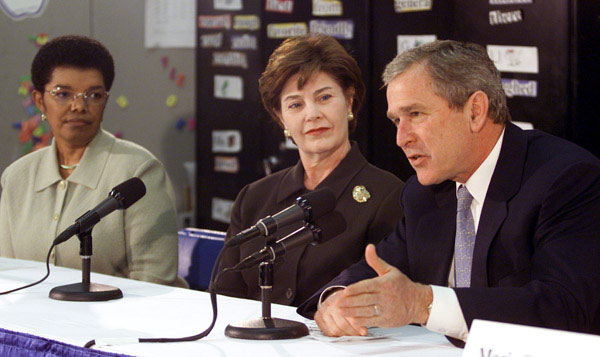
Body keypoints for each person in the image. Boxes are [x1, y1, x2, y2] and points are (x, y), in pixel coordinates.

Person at [297, 40, 600, 344]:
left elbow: (564, 309)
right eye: (396, 121)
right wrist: (338, 298)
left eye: (416, 114)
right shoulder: (424, 193)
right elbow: (383, 269)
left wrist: (423, 304)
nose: (402, 138)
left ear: (475, 111)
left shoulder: (566, 179)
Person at [216, 33, 404, 306]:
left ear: (349, 102)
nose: (312, 114)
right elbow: (225, 298)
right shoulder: (253, 198)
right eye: (295, 104)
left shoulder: (388, 196)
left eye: (324, 97)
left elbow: (387, 301)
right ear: (281, 117)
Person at [0, 35, 185, 287]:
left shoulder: (140, 172)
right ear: (40, 101)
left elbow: (154, 282)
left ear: (105, 101)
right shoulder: (16, 177)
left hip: (118, 322)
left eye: (94, 95)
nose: (79, 106)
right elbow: (9, 275)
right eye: (63, 94)